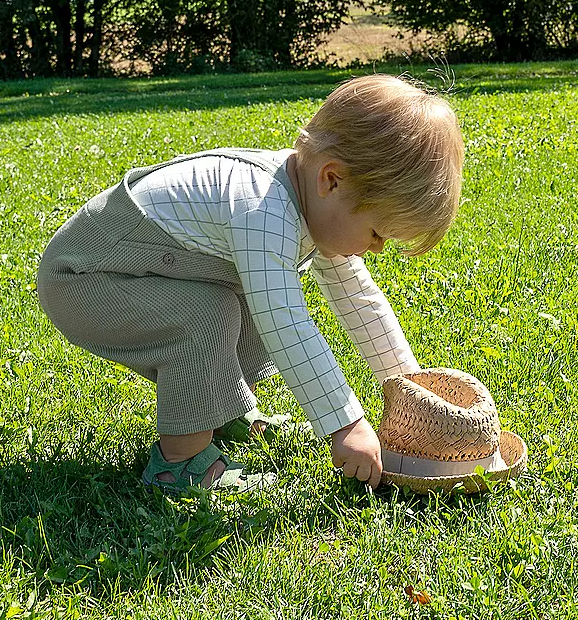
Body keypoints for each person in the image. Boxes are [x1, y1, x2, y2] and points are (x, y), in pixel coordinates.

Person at [37, 74, 464, 496]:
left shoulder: (309, 201)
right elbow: (285, 322)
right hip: (87, 278)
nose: (376, 248)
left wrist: (409, 386)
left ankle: (222, 409)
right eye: (376, 233)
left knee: (243, 299)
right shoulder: (262, 207)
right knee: (210, 315)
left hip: (141, 272)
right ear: (331, 180)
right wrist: (345, 423)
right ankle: (179, 465)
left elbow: (359, 301)